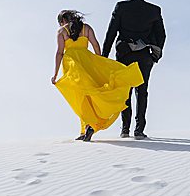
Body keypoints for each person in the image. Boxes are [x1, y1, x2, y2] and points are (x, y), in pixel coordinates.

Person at [53, 9, 144, 141]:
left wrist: (55, 74)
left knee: (81, 97)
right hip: (88, 61)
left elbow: (59, 53)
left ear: (62, 21)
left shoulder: (61, 31)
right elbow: (95, 45)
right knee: (93, 94)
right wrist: (100, 63)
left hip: (72, 65)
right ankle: (87, 128)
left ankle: (87, 127)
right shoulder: (86, 28)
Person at [102, 0, 166, 139]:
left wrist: (104, 57)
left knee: (125, 91)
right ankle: (139, 130)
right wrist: (155, 56)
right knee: (142, 91)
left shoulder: (121, 6)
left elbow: (111, 33)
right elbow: (162, 35)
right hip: (145, 56)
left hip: (124, 54)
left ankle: (125, 129)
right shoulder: (154, 10)